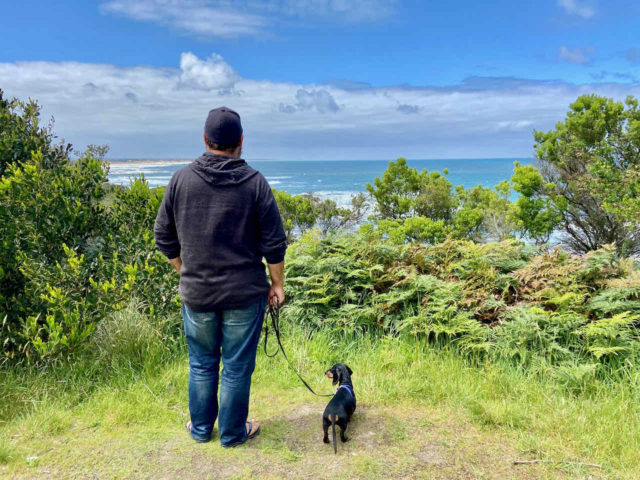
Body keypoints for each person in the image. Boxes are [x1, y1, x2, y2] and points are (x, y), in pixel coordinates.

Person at [154, 106, 287, 447]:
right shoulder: (255, 183)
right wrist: (277, 285)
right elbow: (274, 243)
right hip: (244, 295)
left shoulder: (181, 179)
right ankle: (231, 433)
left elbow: (163, 237)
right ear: (240, 140)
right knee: (237, 367)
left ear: (204, 139)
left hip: (197, 294)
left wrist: (186, 271)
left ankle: (200, 430)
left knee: (201, 364)